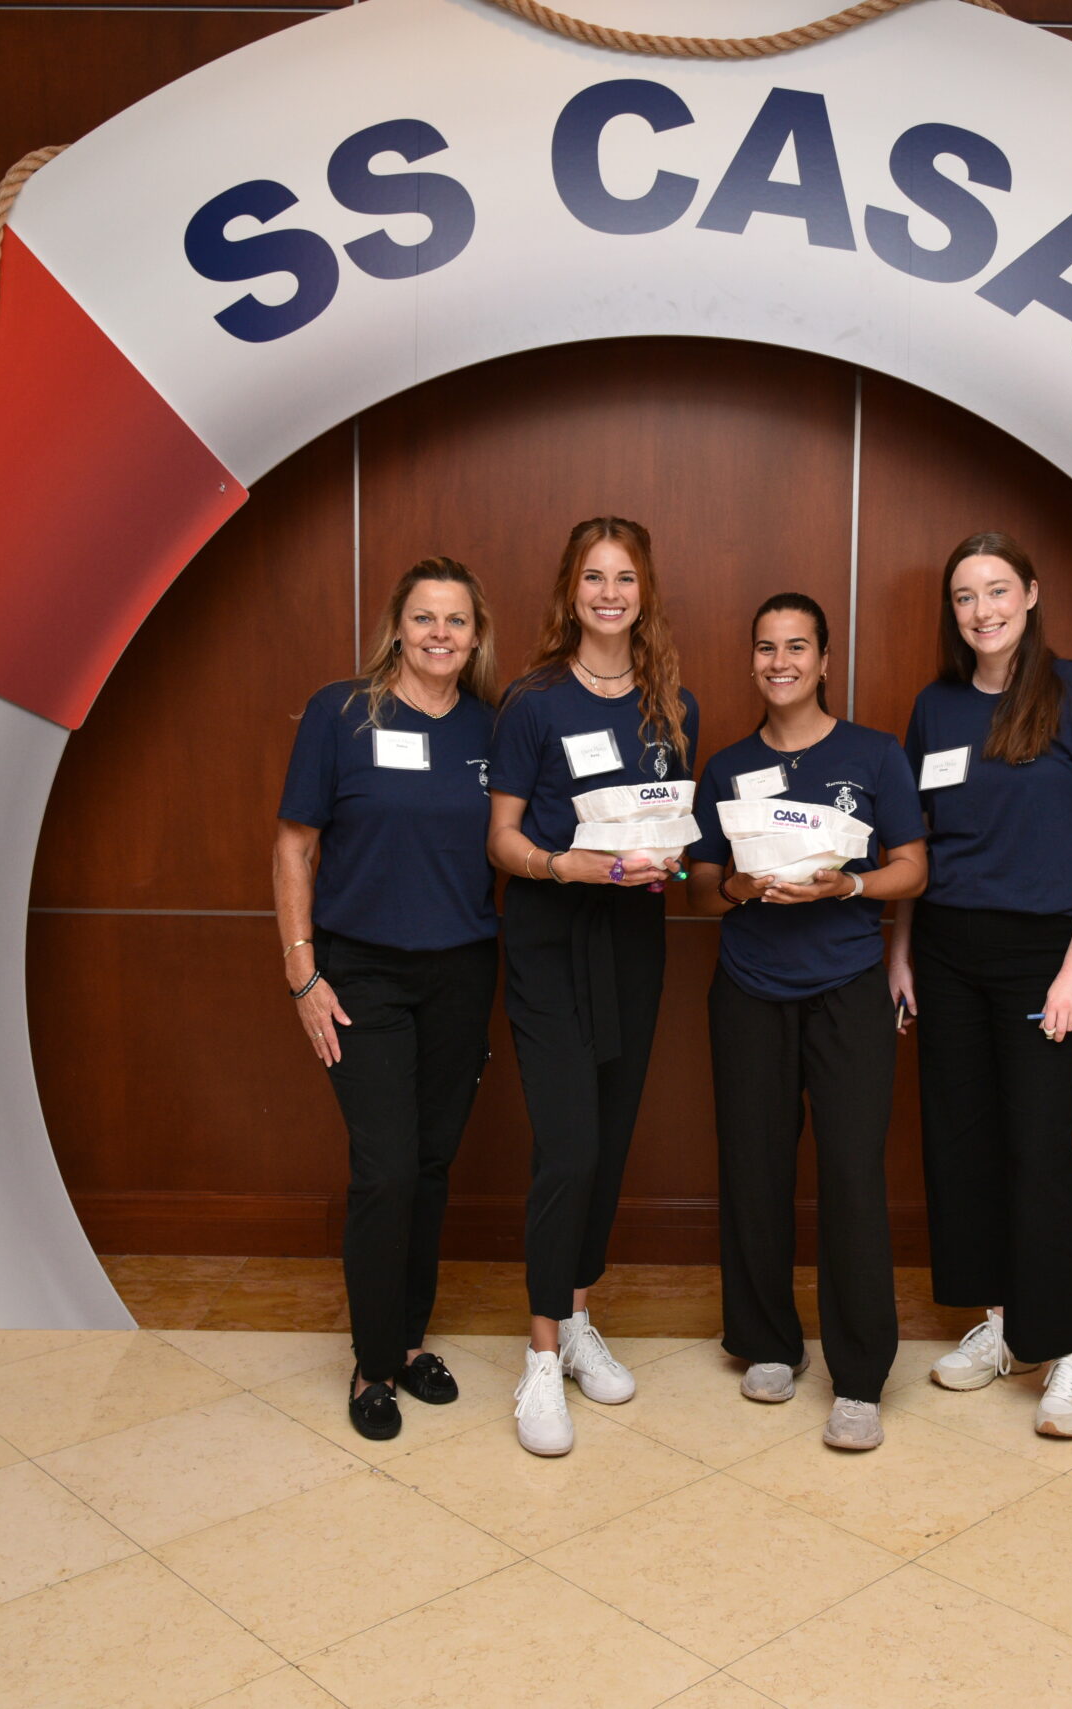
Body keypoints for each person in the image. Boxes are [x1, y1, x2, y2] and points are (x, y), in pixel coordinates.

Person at [889, 532, 1072, 1440]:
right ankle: (1001, 1325)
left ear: (1031, 595)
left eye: (997, 590)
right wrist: (901, 952)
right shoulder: (936, 706)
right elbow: (918, 843)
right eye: (965, 596)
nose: (982, 610)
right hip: (947, 951)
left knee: (1040, 1149)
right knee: (961, 1147)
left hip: (1043, 954)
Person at [685, 594, 927, 1452]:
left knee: (852, 1174)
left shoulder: (875, 753)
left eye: (796, 646)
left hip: (848, 987)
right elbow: (701, 885)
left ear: (825, 660)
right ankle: (766, 1342)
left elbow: (913, 867)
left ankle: (859, 1377)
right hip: (749, 987)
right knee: (754, 1167)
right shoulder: (726, 766)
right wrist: (740, 886)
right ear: (752, 660)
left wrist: (847, 884)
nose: (779, 661)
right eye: (765, 647)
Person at [274, 557, 502, 1443]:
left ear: (475, 636)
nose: (439, 634)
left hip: (461, 972)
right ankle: (372, 1363)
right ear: (397, 629)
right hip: (360, 973)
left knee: (433, 1163)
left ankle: (407, 1342)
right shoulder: (341, 712)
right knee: (386, 1168)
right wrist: (303, 972)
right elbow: (294, 845)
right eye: (423, 618)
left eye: (456, 620)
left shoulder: (490, 727)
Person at [486, 517, 699, 1456]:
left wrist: (670, 864)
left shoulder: (673, 705)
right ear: (569, 591)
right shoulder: (531, 702)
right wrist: (564, 865)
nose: (609, 594)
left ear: (645, 593)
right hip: (549, 938)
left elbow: (674, 831)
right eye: (593, 577)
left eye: (625, 578)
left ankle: (576, 1318)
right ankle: (540, 1356)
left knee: (608, 1144)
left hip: (633, 942)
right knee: (568, 1146)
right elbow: (501, 840)